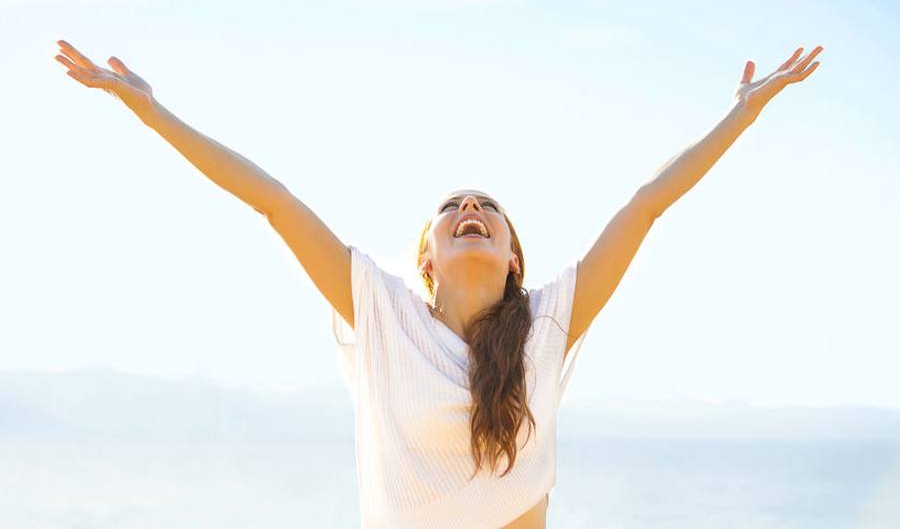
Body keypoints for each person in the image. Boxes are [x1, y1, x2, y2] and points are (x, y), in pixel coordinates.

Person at [54, 39, 823, 528]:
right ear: (425, 256)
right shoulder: (381, 312)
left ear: (515, 256)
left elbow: (645, 205)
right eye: (452, 207)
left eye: (488, 206)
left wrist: (741, 116)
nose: (471, 209)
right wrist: (154, 113)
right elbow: (273, 201)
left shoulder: (550, 325)